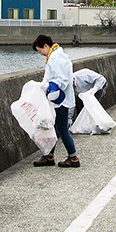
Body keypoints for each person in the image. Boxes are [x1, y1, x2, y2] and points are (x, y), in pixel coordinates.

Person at [32, 34, 80, 168]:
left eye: (40, 50)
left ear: (46, 46)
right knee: (54, 127)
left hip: (60, 99)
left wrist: (50, 86)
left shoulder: (57, 58)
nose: (40, 54)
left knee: (61, 128)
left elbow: (62, 79)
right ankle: (49, 155)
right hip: (58, 98)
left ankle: (73, 157)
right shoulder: (55, 56)